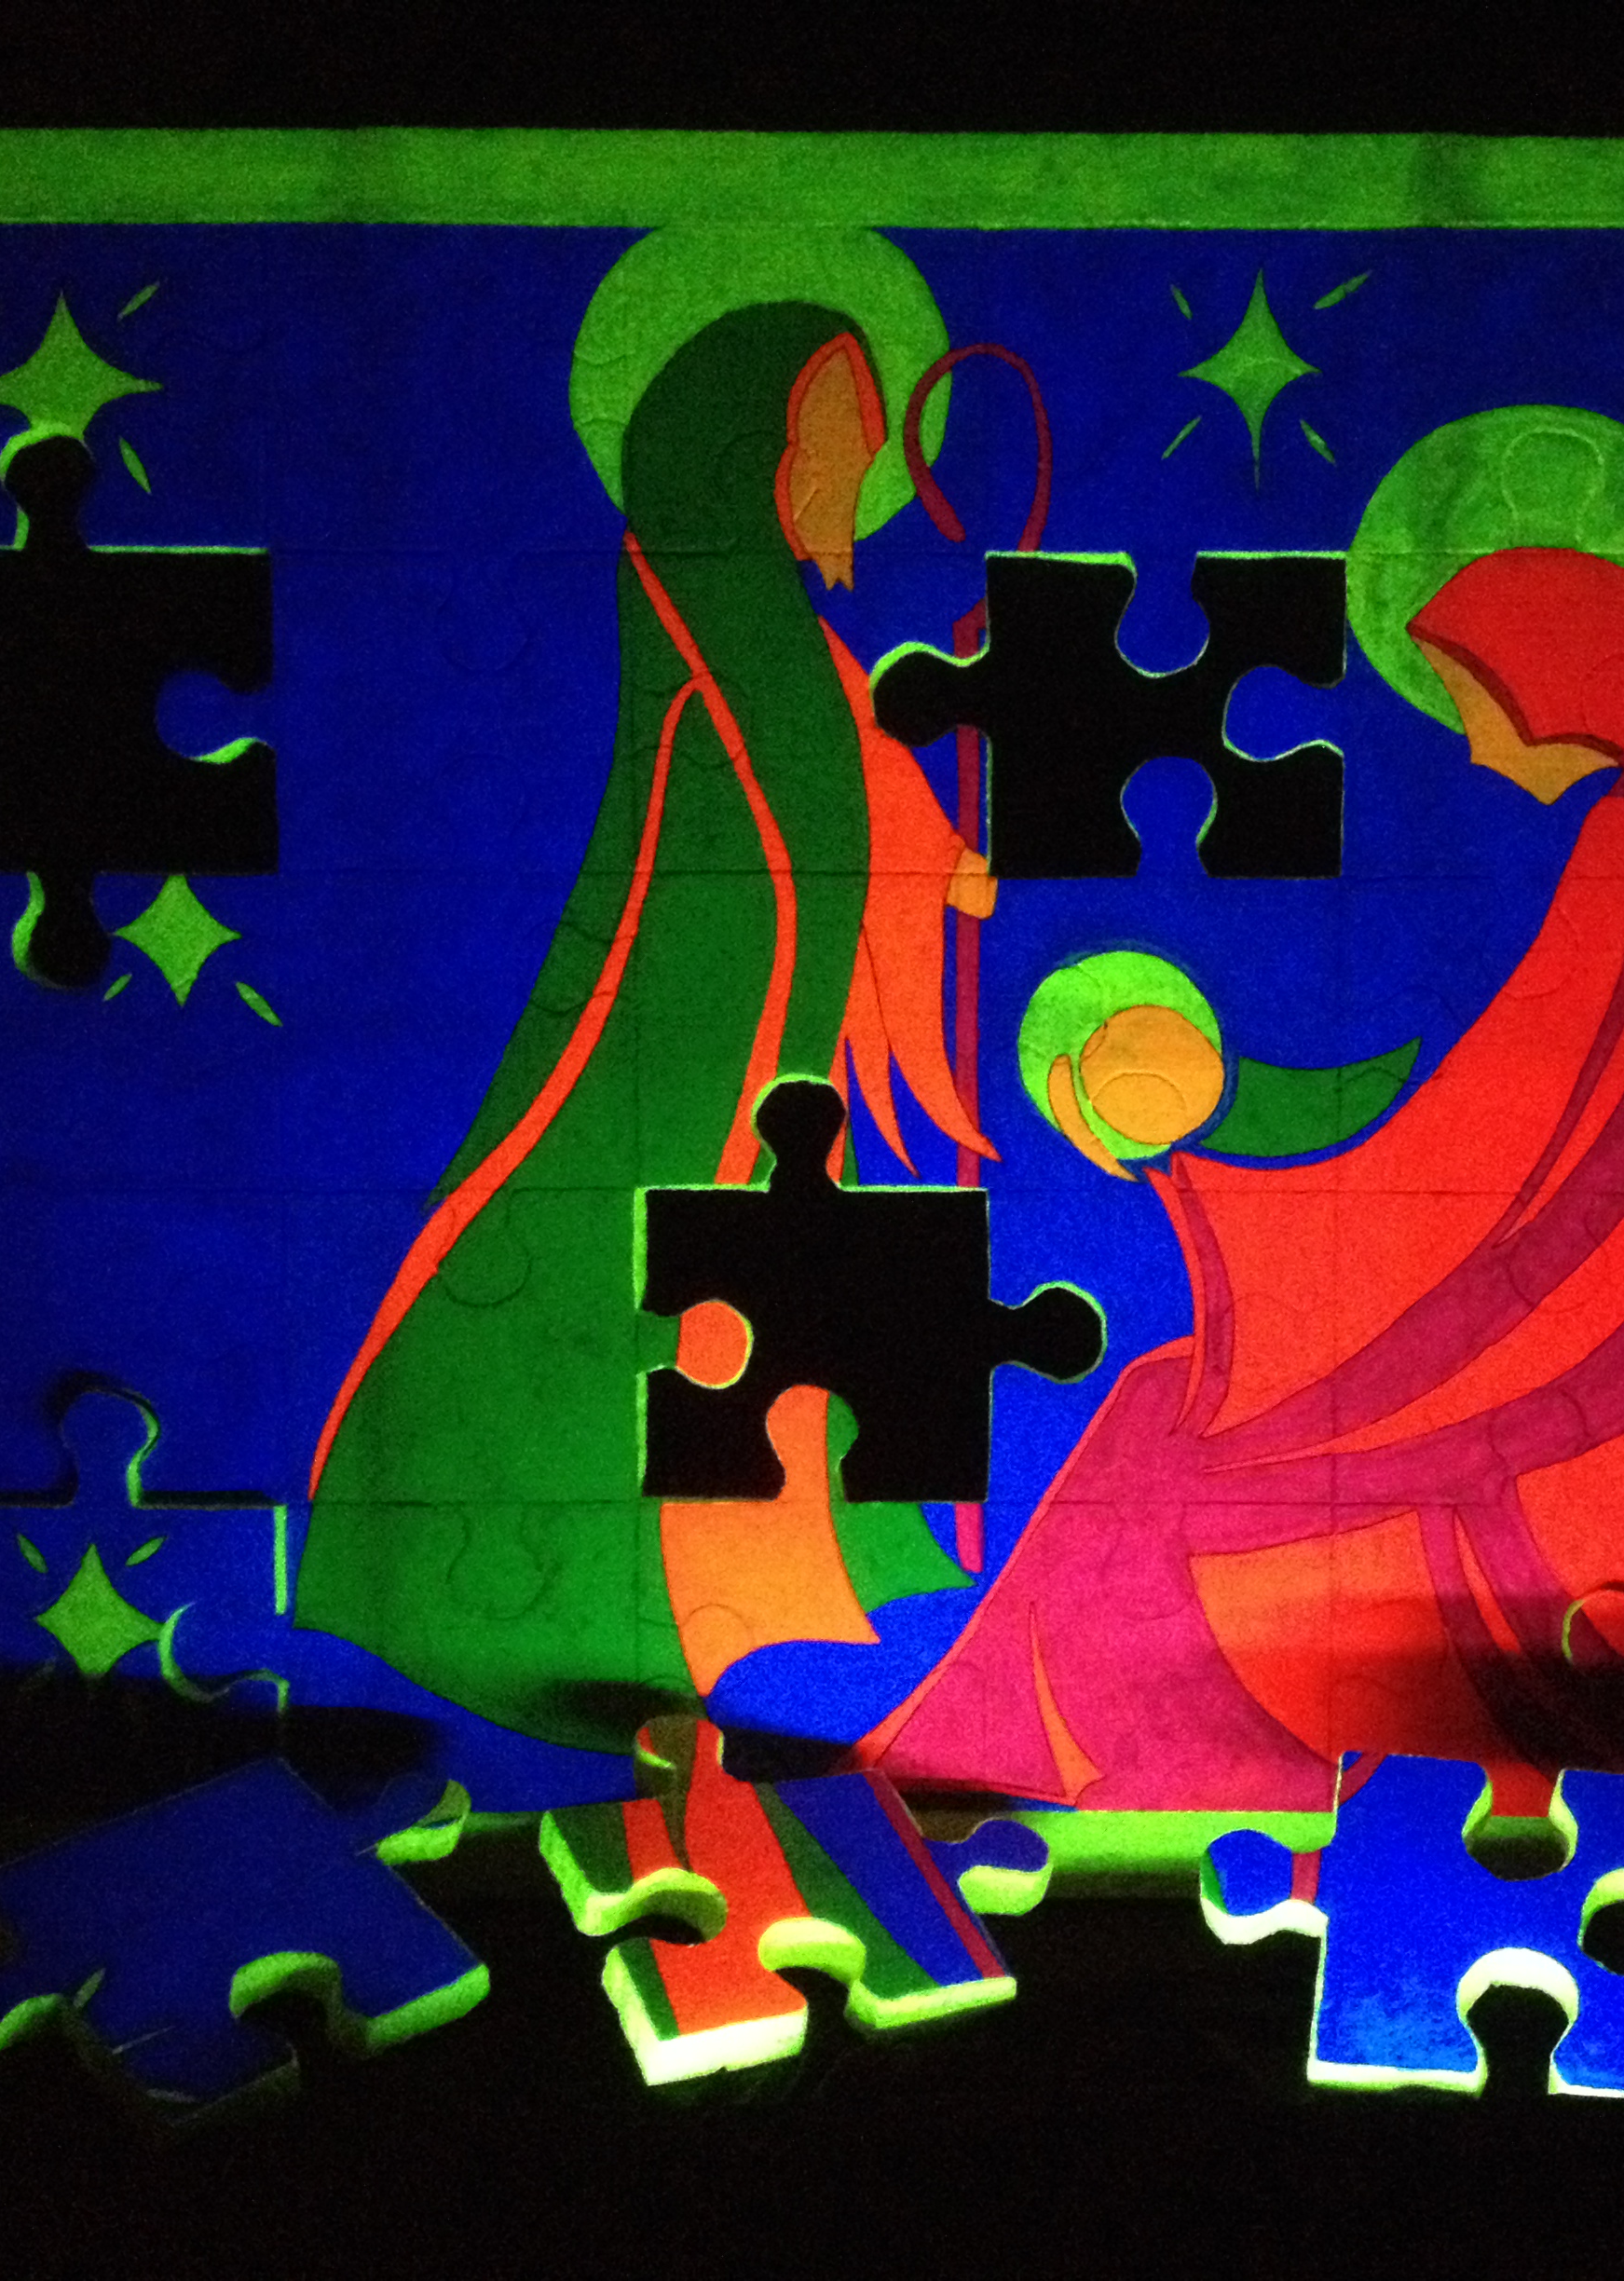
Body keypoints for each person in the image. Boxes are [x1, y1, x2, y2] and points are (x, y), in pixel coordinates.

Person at [867, 546, 1624, 1817]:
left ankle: (1056, 1758)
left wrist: (1211, 1180)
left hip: (1542, 1341)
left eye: (1479, 706)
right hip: (1542, 1301)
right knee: (1153, 1405)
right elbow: (1501, 1129)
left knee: (1161, 1434)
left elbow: (1497, 1138)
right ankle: (1021, 1757)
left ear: (1566, 698)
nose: (1473, 747)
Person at [293, 294, 989, 1753]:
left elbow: (867, 795)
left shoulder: (800, 649)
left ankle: (779, 1587)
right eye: (826, 446)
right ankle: (501, 1602)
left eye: (858, 454)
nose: (841, 485)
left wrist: (941, 873)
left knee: (782, 1322)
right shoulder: (694, 624)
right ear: (744, 451)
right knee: (609, 1312)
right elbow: (718, 846)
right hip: (668, 1065)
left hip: (775, 1076)